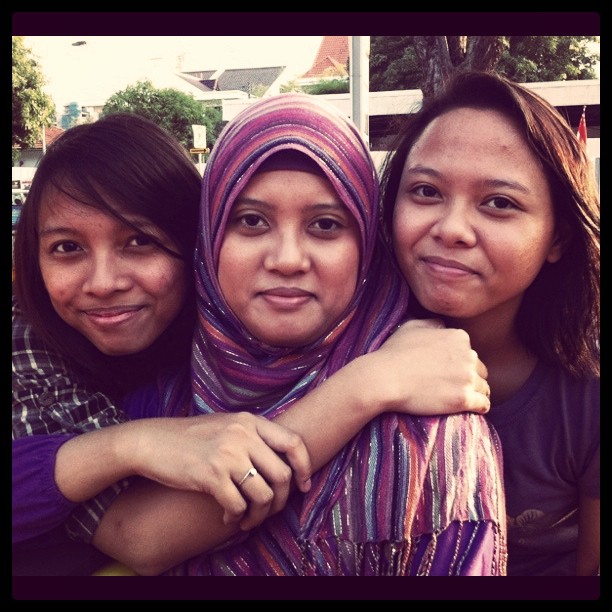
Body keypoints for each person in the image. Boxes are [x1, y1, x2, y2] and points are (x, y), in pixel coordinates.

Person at [94, 92, 507, 576]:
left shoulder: (430, 438)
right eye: (252, 221)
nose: (287, 259)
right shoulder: (154, 401)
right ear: (209, 238)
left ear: (368, 245)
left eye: (325, 225)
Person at [12, 112, 314, 575]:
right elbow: (140, 536)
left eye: (138, 241)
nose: (103, 283)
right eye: (68, 248)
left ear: (196, 245)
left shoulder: (239, 325)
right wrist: (131, 446)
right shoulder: (26, 338)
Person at [378, 70, 600, 576]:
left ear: (558, 238)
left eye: (499, 203)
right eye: (426, 191)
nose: (451, 229)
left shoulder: (588, 388)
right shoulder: (348, 349)